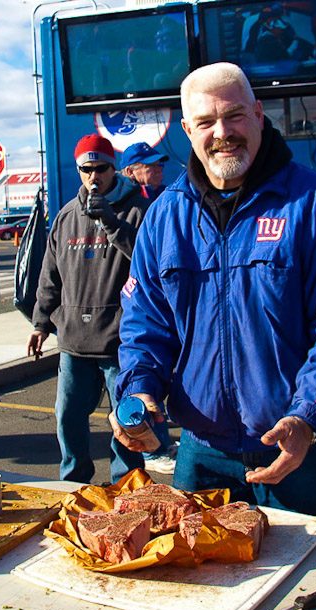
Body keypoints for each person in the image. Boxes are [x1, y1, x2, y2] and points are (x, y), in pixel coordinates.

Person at [111, 62, 316, 519]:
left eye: (235, 115)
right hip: (202, 453)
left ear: (259, 114)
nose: (223, 132)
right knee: (198, 585)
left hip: (303, 449)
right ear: (186, 129)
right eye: (205, 122)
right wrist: (140, 389)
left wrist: (310, 416)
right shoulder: (164, 218)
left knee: (314, 583)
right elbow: (145, 325)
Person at [27, 134, 147, 485]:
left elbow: (149, 263)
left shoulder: (137, 211)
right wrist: (40, 324)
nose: (94, 176)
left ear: (114, 169)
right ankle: (74, 486)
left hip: (119, 342)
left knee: (126, 423)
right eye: (86, 169)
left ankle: (129, 489)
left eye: (101, 168)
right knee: (69, 419)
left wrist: (114, 225)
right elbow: (51, 276)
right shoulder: (65, 217)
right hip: (74, 343)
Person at [119, 141, 178, 474]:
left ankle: (158, 445)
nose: (158, 169)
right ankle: (151, 452)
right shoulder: (131, 206)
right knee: (138, 389)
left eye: (159, 164)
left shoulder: (170, 199)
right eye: (149, 165)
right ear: (130, 171)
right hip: (133, 312)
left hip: (159, 310)